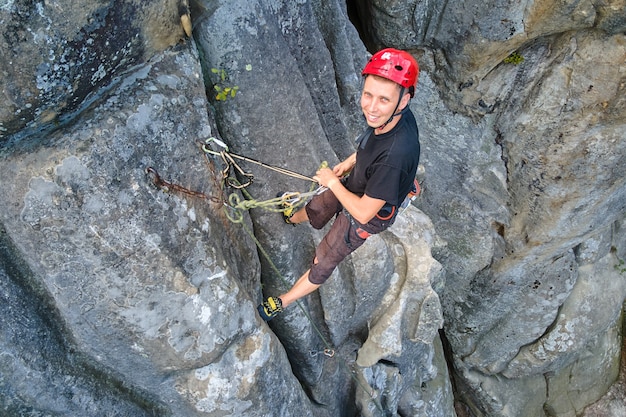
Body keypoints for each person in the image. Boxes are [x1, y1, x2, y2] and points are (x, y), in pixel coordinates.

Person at [258, 48, 420, 321]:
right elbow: (373, 146)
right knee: (318, 206)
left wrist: (333, 181)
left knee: (325, 259)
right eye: (368, 95)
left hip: (368, 215)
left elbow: (363, 213)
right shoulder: (394, 117)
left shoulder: (396, 155)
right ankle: (292, 217)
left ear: (404, 100)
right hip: (360, 183)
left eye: (383, 99)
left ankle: (282, 302)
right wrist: (349, 162)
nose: (371, 106)